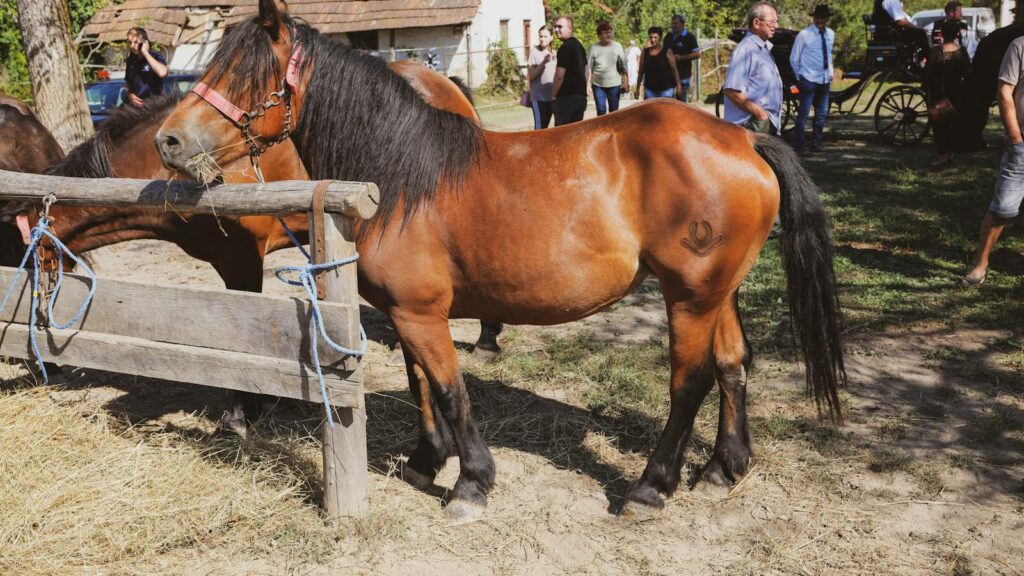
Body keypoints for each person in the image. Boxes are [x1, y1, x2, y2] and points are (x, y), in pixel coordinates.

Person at [963, 35, 1024, 286]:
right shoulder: (1020, 46)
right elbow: (1004, 91)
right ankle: (980, 263)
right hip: (1022, 143)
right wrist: (1015, 136)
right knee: (1003, 208)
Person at [723, 3, 783, 135]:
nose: (776, 26)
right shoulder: (746, 50)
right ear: (756, 23)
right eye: (772, 22)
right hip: (751, 125)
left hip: (761, 123)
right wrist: (760, 114)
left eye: (776, 22)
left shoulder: (762, 48)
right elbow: (731, 90)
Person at [923, 20, 970, 167]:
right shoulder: (962, 51)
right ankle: (951, 154)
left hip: (938, 93)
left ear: (942, 33)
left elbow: (927, 73)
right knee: (953, 124)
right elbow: (967, 73)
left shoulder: (936, 52)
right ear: (957, 34)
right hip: (957, 94)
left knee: (939, 125)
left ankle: (943, 155)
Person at [790, 4, 835, 154]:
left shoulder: (830, 34)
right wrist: (800, 76)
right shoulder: (804, 35)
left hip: (824, 79)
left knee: (822, 113)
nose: (821, 20)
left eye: (824, 17)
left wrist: (830, 71)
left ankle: (817, 142)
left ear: (827, 18)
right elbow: (794, 58)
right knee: (803, 114)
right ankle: (799, 145)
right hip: (808, 78)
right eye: (818, 17)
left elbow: (828, 55)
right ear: (814, 17)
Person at [551, 16, 589, 126]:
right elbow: (586, 70)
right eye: (555, 27)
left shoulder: (565, 48)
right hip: (580, 97)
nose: (556, 29)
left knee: (561, 137)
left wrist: (553, 95)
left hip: (566, 99)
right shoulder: (579, 45)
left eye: (560, 27)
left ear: (570, 28)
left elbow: (559, 75)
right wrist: (584, 88)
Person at [872, 0, 930, 67]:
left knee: (916, 33)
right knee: (920, 33)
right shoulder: (893, 1)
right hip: (893, 34)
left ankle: (914, 60)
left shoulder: (880, 2)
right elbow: (900, 21)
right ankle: (928, 61)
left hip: (882, 34)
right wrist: (918, 28)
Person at [588, 21, 629, 116]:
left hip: (615, 84)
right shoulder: (594, 48)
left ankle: (613, 130)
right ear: (599, 35)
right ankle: (601, 130)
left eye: (610, 32)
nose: (609, 34)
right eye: (606, 32)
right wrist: (587, 85)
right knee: (601, 110)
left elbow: (624, 66)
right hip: (598, 85)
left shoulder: (618, 46)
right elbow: (589, 68)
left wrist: (626, 82)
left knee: (614, 112)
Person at [124, 27, 168, 108]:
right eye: (130, 42)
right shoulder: (130, 60)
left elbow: (162, 73)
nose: (132, 46)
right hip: (136, 110)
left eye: (136, 42)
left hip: (155, 107)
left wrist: (145, 53)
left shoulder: (155, 56)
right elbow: (127, 83)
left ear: (144, 42)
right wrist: (129, 94)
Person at [634, 27, 681, 100]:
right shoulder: (645, 52)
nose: (653, 40)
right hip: (650, 90)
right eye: (651, 37)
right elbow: (641, 71)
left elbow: (674, 70)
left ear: (660, 38)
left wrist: (679, 86)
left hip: (666, 90)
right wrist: (637, 88)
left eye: (655, 37)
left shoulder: (667, 51)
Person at [664, 14, 701, 103]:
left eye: (676, 23)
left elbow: (697, 54)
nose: (674, 26)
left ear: (683, 24)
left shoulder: (689, 37)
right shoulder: (668, 37)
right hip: (668, 75)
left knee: (682, 102)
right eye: (672, 24)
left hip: (684, 75)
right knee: (668, 103)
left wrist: (681, 58)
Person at [527, 25, 557, 129]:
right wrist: (544, 62)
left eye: (545, 36)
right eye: (541, 36)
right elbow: (531, 76)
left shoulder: (555, 53)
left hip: (552, 97)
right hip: (538, 98)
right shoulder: (534, 52)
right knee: (540, 129)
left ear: (551, 37)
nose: (542, 39)